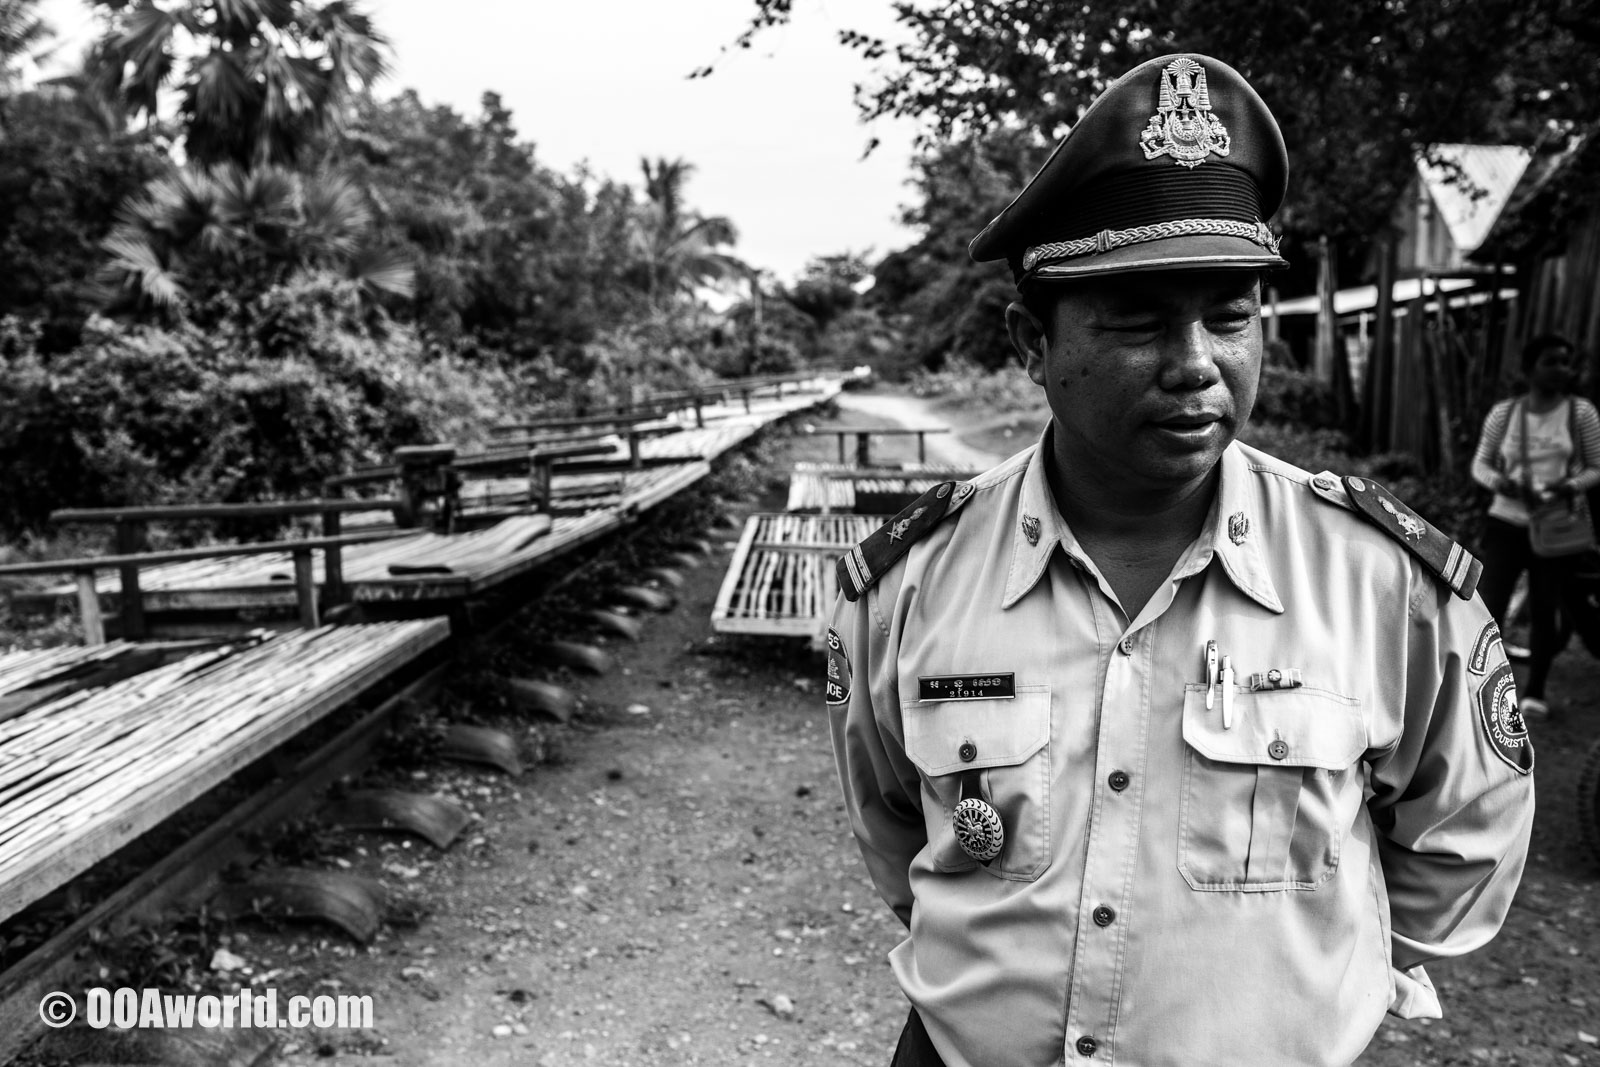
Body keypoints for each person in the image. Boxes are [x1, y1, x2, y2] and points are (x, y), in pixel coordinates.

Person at [825, 53, 1535, 1067]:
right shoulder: (907, 586)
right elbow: (898, 835)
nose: (1198, 361)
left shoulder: (1383, 582)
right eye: (1138, 319)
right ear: (1031, 341)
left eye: (1230, 315)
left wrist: (1292, 997)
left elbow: (1463, 840)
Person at [1469, 334, 1600, 717]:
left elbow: (1596, 468)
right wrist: (1501, 483)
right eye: (1551, 362)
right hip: (1506, 522)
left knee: (1545, 609)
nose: (1562, 369)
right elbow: (1481, 464)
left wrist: (1568, 486)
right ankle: (1481, 685)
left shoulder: (1581, 414)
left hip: (1556, 527)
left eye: (1566, 362)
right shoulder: (1505, 414)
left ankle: (1534, 693)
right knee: (1488, 608)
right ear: (1529, 368)